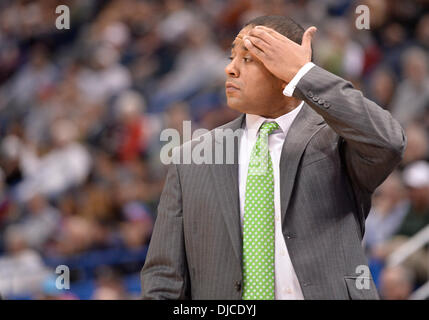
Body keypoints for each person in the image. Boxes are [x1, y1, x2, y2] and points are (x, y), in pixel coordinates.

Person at [141, 15, 406, 300]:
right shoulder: (191, 159)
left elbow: (388, 142)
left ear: (286, 70)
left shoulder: (337, 138)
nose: (230, 69)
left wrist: (305, 74)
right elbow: (163, 281)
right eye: (232, 57)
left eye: (248, 59)